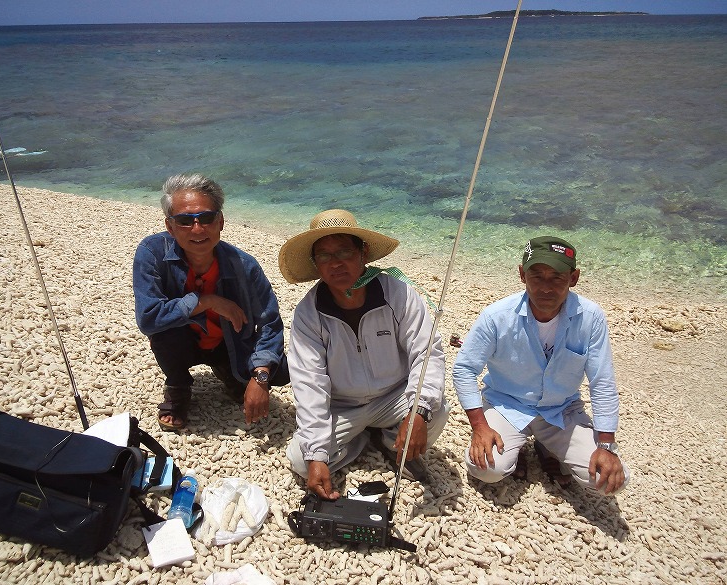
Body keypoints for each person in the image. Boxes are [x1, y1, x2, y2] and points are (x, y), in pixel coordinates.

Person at [279, 209, 449, 500]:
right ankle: (360, 439)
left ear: (363, 253)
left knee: (437, 410)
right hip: (342, 406)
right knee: (301, 461)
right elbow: (310, 386)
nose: (336, 263)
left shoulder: (399, 295)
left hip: (393, 397)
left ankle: (389, 438)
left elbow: (427, 353)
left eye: (344, 251)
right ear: (315, 264)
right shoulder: (309, 314)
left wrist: (418, 410)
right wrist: (318, 454)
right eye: (324, 256)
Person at [452, 236, 630, 496]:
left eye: (557, 277)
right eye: (537, 276)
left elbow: (602, 381)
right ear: (522, 275)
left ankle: (547, 447)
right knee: (487, 469)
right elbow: (464, 369)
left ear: (574, 278)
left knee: (610, 482)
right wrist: (480, 427)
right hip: (507, 406)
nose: (546, 287)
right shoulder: (496, 316)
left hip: (561, 410)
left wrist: (606, 446)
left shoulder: (591, 318)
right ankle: (518, 450)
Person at [133, 173, 288, 431]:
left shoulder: (244, 266)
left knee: (279, 372)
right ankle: (178, 385)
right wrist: (207, 301)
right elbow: (149, 318)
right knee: (163, 332)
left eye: (206, 218)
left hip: (230, 342)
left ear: (221, 222)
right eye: (184, 221)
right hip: (181, 341)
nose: (197, 229)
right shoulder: (152, 253)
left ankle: (228, 369)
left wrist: (260, 376)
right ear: (170, 227)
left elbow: (270, 322)